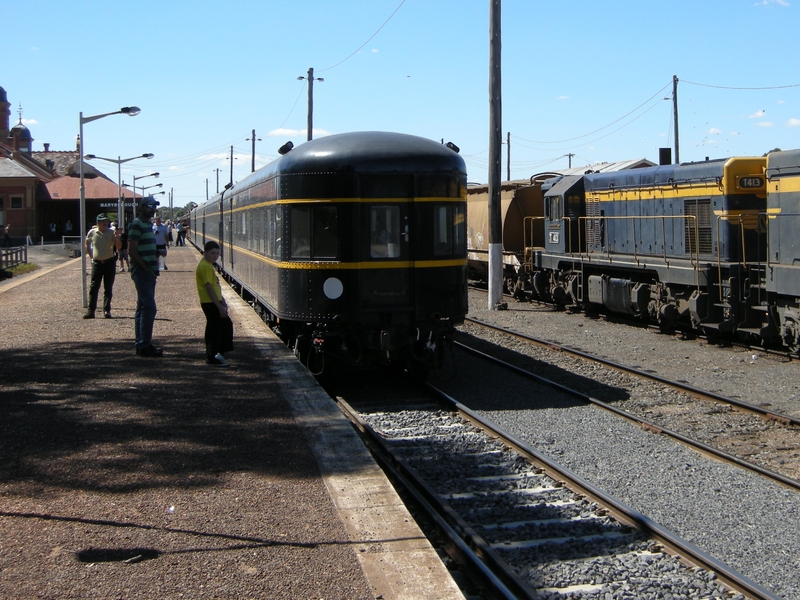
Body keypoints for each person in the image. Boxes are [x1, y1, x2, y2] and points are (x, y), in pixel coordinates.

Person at [128, 198, 163, 357]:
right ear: (141, 208)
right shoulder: (137, 224)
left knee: (142, 307)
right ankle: (144, 344)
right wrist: (145, 268)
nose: (153, 210)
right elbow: (132, 250)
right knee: (149, 307)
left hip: (148, 271)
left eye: (154, 207)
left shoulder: (147, 224)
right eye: (150, 206)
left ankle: (141, 343)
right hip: (143, 272)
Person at [196, 241, 234, 366]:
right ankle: (214, 355)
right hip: (210, 302)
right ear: (205, 252)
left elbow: (214, 286)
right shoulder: (206, 267)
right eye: (212, 253)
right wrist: (219, 306)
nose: (215, 256)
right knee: (217, 328)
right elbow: (209, 288)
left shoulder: (207, 265)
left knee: (216, 327)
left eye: (217, 253)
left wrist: (222, 299)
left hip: (212, 301)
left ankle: (216, 353)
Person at [83, 214, 122, 319]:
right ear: (98, 223)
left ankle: (106, 310)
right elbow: (87, 243)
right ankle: (91, 311)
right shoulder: (92, 232)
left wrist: (117, 237)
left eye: (106, 221)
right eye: (102, 221)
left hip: (109, 262)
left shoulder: (111, 233)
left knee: (108, 288)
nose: (105, 223)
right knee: (94, 287)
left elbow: (118, 246)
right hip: (97, 263)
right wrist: (91, 256)